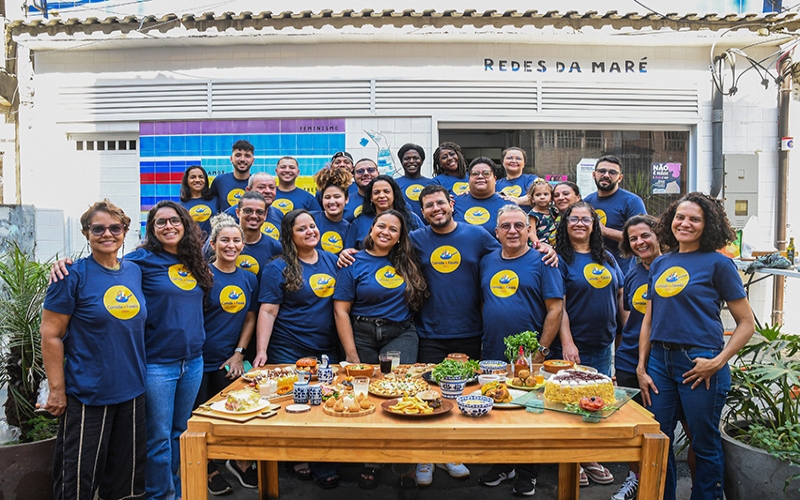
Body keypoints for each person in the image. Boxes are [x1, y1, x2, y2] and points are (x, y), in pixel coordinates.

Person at [51, 201, 214, 500]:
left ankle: (177, 493)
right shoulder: (140, 262)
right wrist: (64, 263)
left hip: (192, 362)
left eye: (175, 221)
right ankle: (160, 495)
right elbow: (107, 264)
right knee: (159, 440)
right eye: (160, 222)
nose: (169, 226)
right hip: (157, 365)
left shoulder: (195, 261)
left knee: (181, 433)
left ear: (185, 225)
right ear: (150, 229)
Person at [637, 192, 754, 500]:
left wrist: (719, 361)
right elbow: (649, 320)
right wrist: (641, 365)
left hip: (701, 362)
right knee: (658, 441)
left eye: (694, 219)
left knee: (703, 445)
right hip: (659, 364)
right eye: (680, 217)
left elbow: (746, 323)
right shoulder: (661, 262)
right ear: (671, 220)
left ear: (708, 225)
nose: (685, 223)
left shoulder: (719, 264)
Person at [41, 200, 147, 500]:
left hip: (132, 392)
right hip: (88, 394)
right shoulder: (71, 276)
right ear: (86, 233)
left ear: (125, 231)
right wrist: (56, 391)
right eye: (97, 228)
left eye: (115, 228)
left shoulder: (134, 271)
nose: (107, 234)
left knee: (125, 482)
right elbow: (50, 335)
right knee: (77, 481)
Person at [333, 209, 428, 499]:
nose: (386, 232)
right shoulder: (353, 261)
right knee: (368, 395)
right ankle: (372, 459)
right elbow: (340, 309)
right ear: (372, 228)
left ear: (400, 237)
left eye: (393, 229)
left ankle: (405, 463)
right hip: (361, 333)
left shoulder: (408, 262)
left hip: (399, 333)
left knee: (400, 392)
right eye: (381, 226)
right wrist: (351, 355)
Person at [477, 205, 563, 497]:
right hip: (492, 348)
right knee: (498, 408)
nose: (512, 231)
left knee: (528, 412)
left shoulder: (543, 260)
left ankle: (528, 472)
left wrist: (541, 351)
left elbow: (555, 309)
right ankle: (503, 464)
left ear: (529, 230)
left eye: (519, 225)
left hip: (529, 354)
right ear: (497, 232)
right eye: (506, 226)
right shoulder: (487, 260)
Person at [253, 209, 341, 489]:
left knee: (327, 404)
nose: (310, 232)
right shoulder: (277, 267)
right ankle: (298, 457)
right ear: (289, 235)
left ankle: (323, 461)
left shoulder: (332, 260)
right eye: (301, 229)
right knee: (296, 404)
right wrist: (262, 351)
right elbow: (267, 311)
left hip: (326, 348)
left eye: (312, 226)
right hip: (289, 346)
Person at [613, 214, 695, 500]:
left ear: (659, 234)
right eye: (633, 238)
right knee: (639, 434)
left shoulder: (678, 267)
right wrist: (623, 361)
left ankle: (704, 489)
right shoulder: (633, 272)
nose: (639, 242)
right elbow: (630, 320)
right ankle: (637, 482)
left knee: (690, 432)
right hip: (630, 362)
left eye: (645, 235)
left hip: (669, 362)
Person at [552, 201, 624, 487]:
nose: (580, 223)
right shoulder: (559, 259)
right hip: (573, 346)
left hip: (603, 343)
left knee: (594, 403)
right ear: (565, 224)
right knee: (569, 404)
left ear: (595, 225)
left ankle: (589, 454)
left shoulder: (606, 256)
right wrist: (567, 343)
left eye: (586, 219)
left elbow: (619, 297)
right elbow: (560, 306)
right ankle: (573, 459)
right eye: (574, 219)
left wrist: (622, 338)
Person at [194, 213, 259, 495]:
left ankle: (240, 461)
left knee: (238, 414)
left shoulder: (249, 279)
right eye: (224, 240)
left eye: (236, 240)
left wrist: (238, 353)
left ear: (243, 245)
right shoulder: (202, 275)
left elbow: (250, 318)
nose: (230, 245)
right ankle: (208, 470)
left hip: (228, 360)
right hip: (197, 360)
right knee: (199, 419)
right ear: (213, 243)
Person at [583, 155, 647, 273]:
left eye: (612, 172)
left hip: (622, 272)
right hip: (591, 270)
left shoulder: (632, 202)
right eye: (602, 171)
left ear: (620, 178)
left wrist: (605, 231)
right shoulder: (586, 202)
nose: (606, 175)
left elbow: (642, 237)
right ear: (594, 174)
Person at [344, 175, 424, 250]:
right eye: (376, 192)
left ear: (394, 194)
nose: (382, 195)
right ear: (371, 198)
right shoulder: (359, 222)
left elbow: (424, 244)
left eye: (386, 191)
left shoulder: (412, 218)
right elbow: (349, 252)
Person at [453, 157, 508, 236]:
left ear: (495, 179)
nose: (480, 177)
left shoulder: (508, 205)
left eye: (486, 173)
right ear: (469, 179)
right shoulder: (454, 203)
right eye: (475, 173)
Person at [222, 172, 284, 240]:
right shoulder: (230, 215)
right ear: (248, 190)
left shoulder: (279, 215)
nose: (268, 191)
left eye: (271, 187)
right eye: (261, 187)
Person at [311, 167, 351, 255]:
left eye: (337, 197)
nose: (332, 202)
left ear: (346, 199)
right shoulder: (310, 219)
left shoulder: (349, 228)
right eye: (327, 197)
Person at [393, 143, 434, 222]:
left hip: (429, 230)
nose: (411, 161)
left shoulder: (432, 183)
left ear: (422, 161)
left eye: (415, 158)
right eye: (407, 158)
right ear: (401, 161)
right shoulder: (394, 184)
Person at [210, 139, 255, 209]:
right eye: (238, 155)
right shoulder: (219, 181)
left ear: (252, 160)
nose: (242, 159)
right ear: (231, 159)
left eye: (247, 156)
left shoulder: (257, 182)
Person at [179, 165, 218, 238]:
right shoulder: (180, 206)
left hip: (213, 245)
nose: (197, 180)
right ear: (186, 181)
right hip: (191, 246)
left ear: (205, 180)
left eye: (201, 177)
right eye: (193, 177)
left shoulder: (216, 200)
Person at [526, 178, 558, 246]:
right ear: (532, 199)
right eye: (538, 195)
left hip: (552, 244)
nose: (542, 197)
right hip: (540, 245)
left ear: (551, 197)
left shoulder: (553, 211)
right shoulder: (533, 215)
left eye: (546, 194)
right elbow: (532, 233)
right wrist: (538, 245)